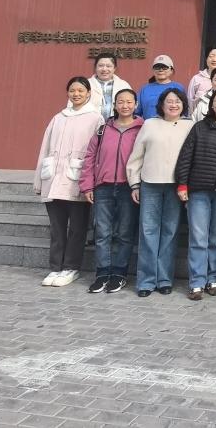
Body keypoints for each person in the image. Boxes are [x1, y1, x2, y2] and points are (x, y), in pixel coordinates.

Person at [35, 76, 104, 287]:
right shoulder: (58, 118)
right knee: (56, 228)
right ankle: (55, 267)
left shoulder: (95, 118)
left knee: (77, 228)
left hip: (77, 180)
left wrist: (92, 182)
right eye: (72, 90)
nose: (76, 94)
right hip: (53, 179)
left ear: (89, 93)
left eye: (81, 90)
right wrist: (38, 180)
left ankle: (71, 267)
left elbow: (97, 153)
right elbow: (44, 148)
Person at [126, 88, 193, 297]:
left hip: (176, 186)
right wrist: (134, 184)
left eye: (177, 101)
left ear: (183, 105)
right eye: (169, 101)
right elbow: (137, 156)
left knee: (170, 232)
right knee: (148, 231)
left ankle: (164, 279)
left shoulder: (190, 126)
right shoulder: (149, 124)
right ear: (161, 105)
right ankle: (146, 281)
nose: (173, 105)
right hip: (150, 183)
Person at [175, 87, 216, 301]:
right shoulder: (200, 127)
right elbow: (186, 156)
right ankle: (196, 282)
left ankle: (213, 279)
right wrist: (182, 184)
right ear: (211, 104)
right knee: (198, 237)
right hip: (199, 190)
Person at [79, 87, 143, 294]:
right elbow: (90, 157)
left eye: (129, 102)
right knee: (102, 233)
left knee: (124, 233)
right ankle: (102, 274)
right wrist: (87, 184)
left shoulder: (142, 129)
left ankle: (119, 274)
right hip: (103, 187)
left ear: (136, 105)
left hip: (128, 187)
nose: (125, 105)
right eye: (120, 102)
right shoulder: (103, 129)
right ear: (114, 105)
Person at [81, 52, 133, 120]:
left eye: (108, 66)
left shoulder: (123, 85)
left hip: (116, 124)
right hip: (89, 123)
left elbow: (131, 107)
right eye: (100, 66)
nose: (104, 69)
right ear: (95, 67)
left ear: (114, 68)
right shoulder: (85, 84)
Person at [135, 54, 186, 119]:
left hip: (173, 124)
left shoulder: (179, 88)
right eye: (157, 67)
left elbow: (185, 111)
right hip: (149, 124)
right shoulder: (145, 89)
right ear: (153, 70)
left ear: (171, 70)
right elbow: (137, 112)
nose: (161, 70)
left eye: (164, 67)